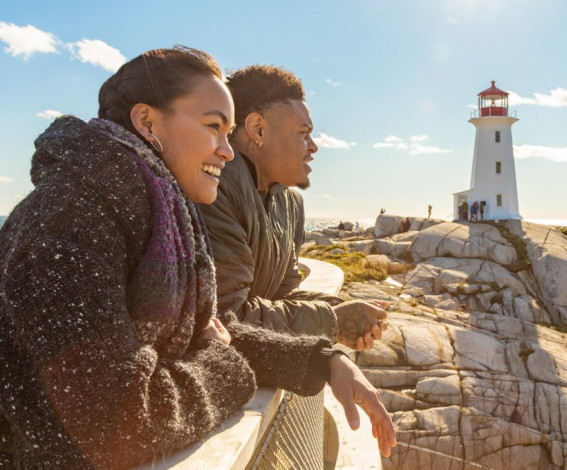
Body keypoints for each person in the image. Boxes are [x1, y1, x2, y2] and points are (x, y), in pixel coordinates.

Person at [0, 48, 395, 467]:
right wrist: (220, 366)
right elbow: (118, 420)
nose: (227, 151)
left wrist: (323, 361)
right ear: (148, 123)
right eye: (213, 127)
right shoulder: (69, 220)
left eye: (229, 133)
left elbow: (199, 333)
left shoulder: (153, 210)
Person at [200, 65, 387, 351]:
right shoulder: (213, 187)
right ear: (257, 129)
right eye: (303, 133)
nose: (313, 147)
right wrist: (332, 321)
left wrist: (341, 307)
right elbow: (224, 317)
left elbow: (281, 295)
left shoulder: (290, 201)